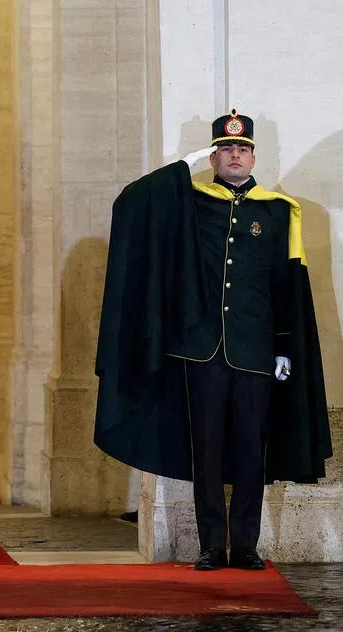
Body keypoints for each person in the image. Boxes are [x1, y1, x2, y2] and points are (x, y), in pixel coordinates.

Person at [95, 110, 331, 571]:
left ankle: (244, 545)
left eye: (241, 149)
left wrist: (283, 349)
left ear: (254, 156)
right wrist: (188, 160)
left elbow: (287, 286)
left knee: (250, 449)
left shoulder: (278, 210)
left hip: (256, 350)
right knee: (205, 449)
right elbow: (134, 200)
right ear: (215, 156)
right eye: (225, 149)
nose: (234, 156)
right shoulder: (192, 201)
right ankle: (210, 545)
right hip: (201, 349)